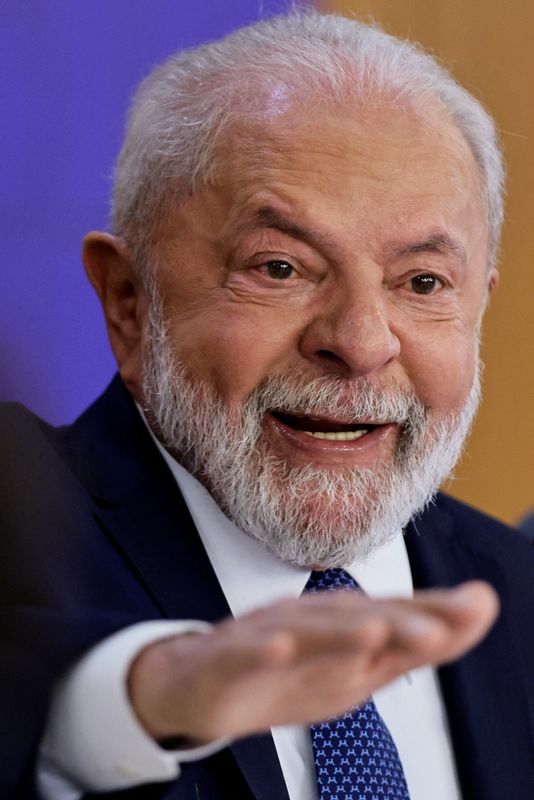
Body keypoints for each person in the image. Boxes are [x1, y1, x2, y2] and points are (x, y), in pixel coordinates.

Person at [2, 9, 534, 800]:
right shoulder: (20, 524)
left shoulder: (518, 595)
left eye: (422, 284)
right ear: (127, 300)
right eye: (280, 267)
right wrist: (135, 701)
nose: (359, 342)